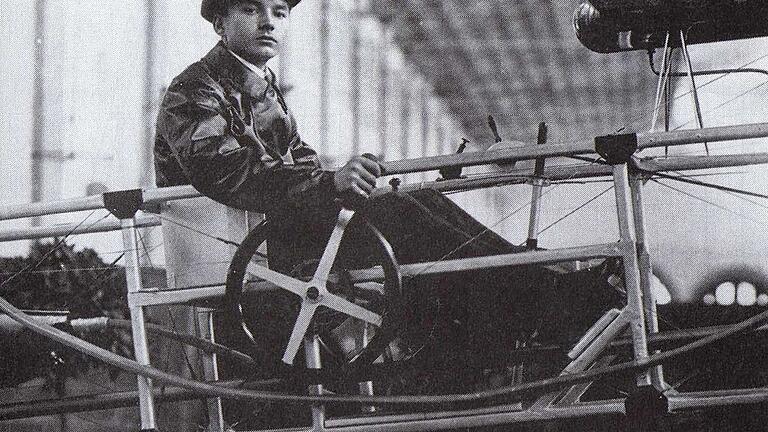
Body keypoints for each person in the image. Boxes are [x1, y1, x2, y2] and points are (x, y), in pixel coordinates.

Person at [153, 0, 622, 422]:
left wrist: (341, 179)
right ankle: (542, 297)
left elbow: (298, 162)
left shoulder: (261, 85)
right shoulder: (194, 89)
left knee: (412, 201)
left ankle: (524, 292)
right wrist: (329, 183)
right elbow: (229, 174)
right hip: (238, 243)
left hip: (273, 229)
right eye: (250, 10)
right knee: (399, 215)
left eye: (278, 11)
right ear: (218, 22)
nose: (267, 22)